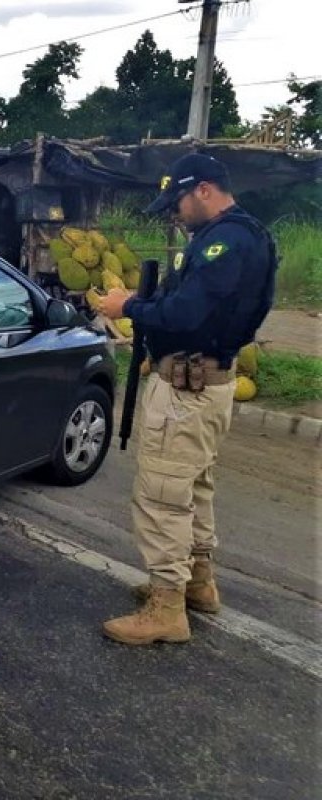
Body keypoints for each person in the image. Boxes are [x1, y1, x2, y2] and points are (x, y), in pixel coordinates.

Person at [99, 153, 277, 645]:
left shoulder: (226, 241)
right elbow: (200, 307)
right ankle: (198, 585)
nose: (173, 214)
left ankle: (167, 608)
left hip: (186, 391)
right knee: (193, 488)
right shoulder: (245, 236)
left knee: (161, 496)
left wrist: (128, 306)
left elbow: (186, 313)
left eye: (176, 201)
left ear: (202, 190)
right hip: (206, 383)